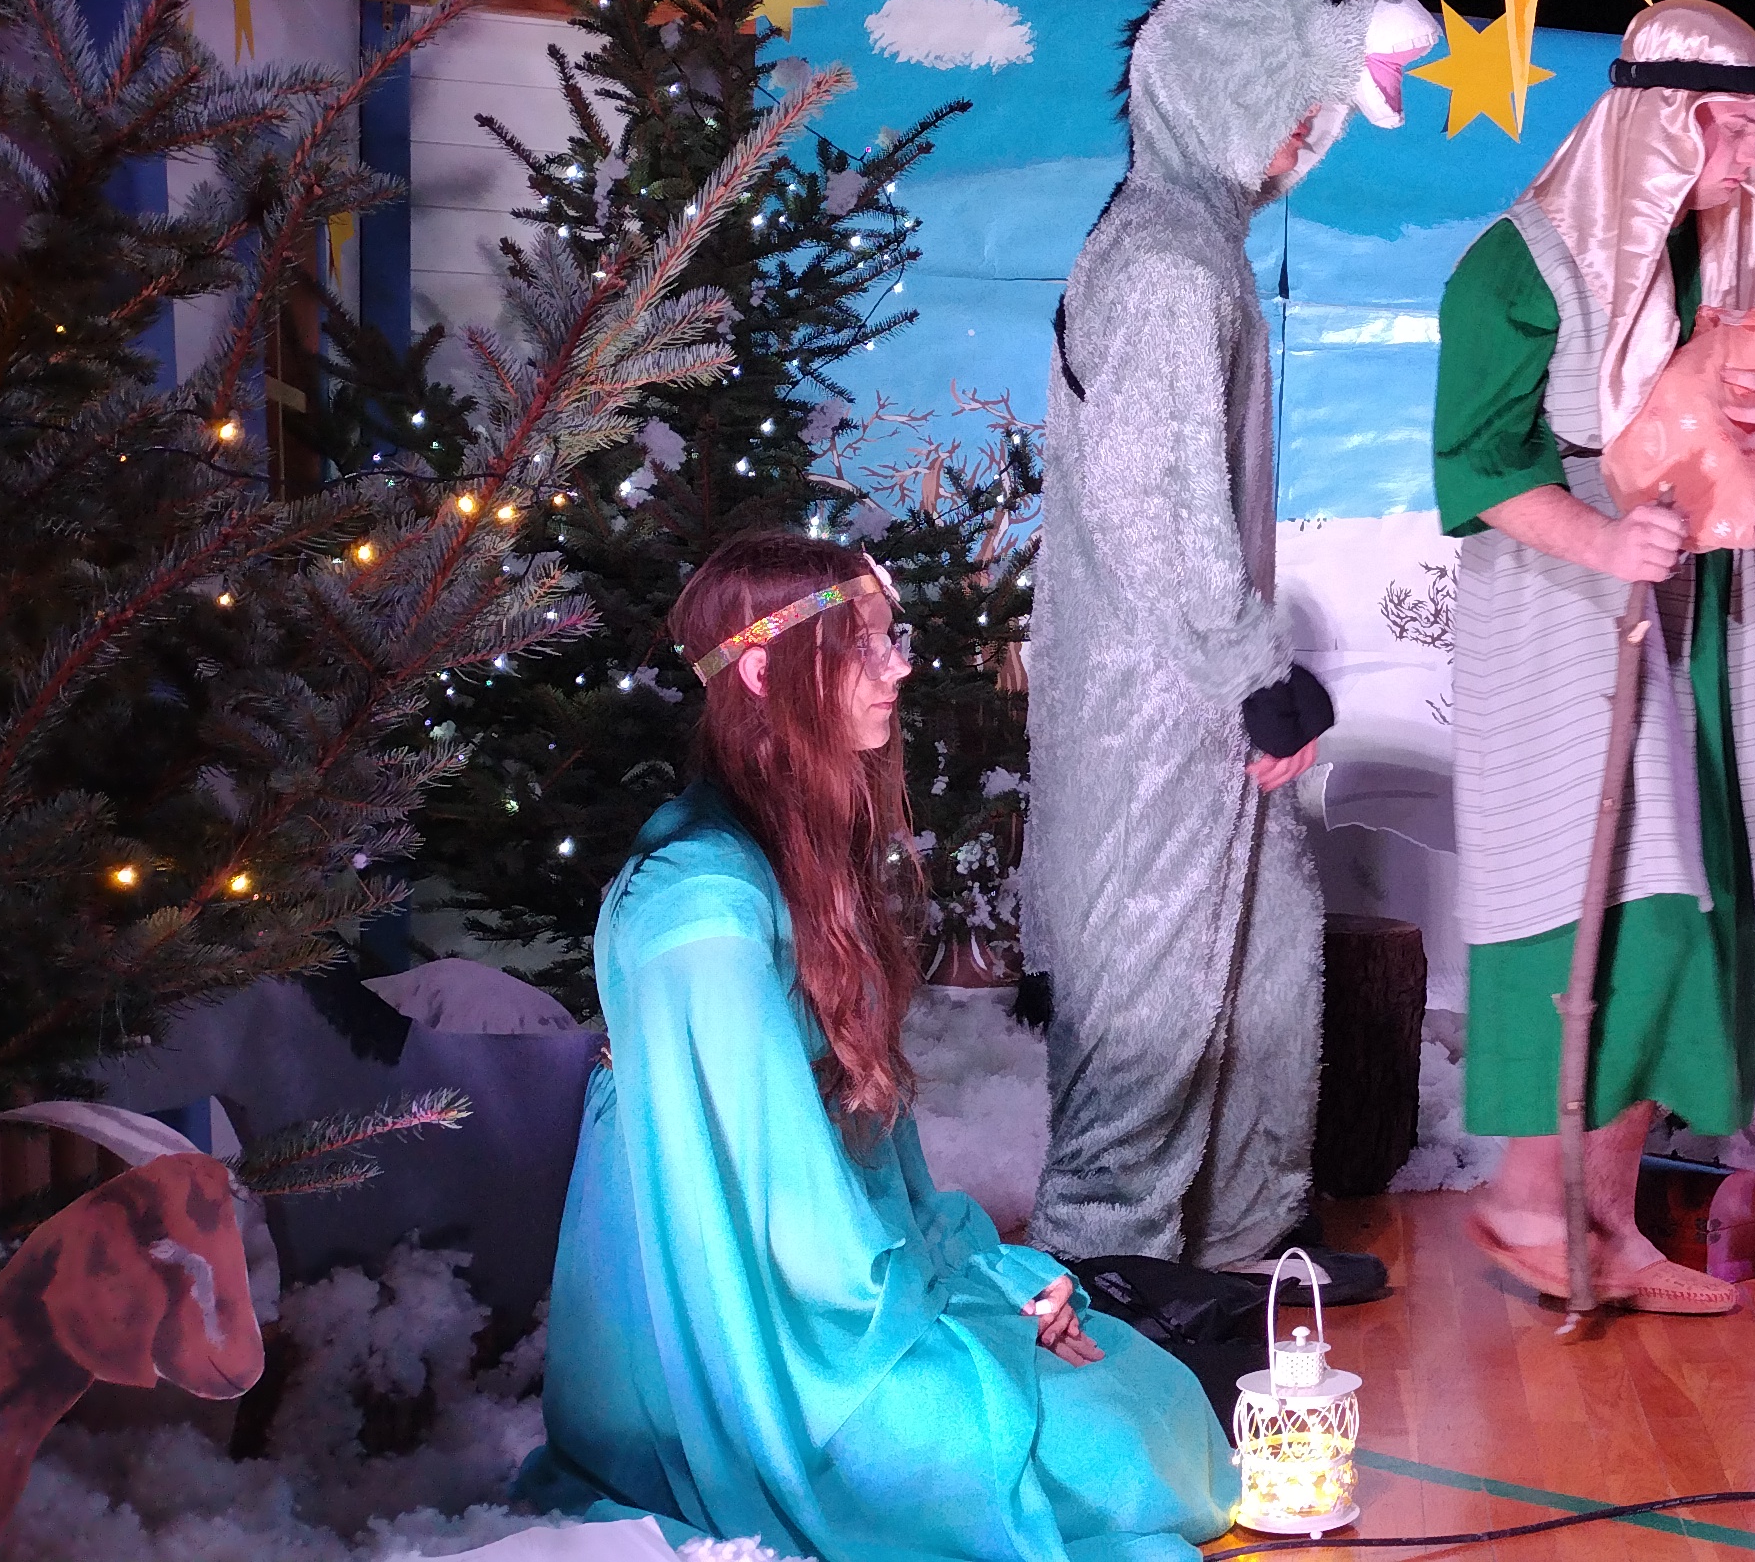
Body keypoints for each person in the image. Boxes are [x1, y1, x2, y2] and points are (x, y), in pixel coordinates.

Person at [525, 532, 1234, 1560]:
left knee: (1148, 1398)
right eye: (862, 645)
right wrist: (964, 1302)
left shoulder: (803, 858)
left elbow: (874, 1161)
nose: (897, 666)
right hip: (761, 1345)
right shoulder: (703, 913)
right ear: (762, 674)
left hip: (843, 1290)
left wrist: (982, 1268)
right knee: (1114, 1455)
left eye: (890, 639)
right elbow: (784, 1222)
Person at [1436, 2, 1755, 1316]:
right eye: (1729, 131)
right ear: (1659, 125)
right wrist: (1600, 537)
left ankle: (1605, 1221)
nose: (1748, 158)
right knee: (1599, 897)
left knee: (1686, 904)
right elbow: (1477, 464)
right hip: (1559, 609)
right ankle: (1528, 1199)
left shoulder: (1746, 257)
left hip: (1695, 606)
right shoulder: (1517, 266)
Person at [1022, 0, 1436, 1270]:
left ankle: (1238, 1242)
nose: (1300, 149)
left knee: (1256, 955)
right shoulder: (1159, 264)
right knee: (1154, 980)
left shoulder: (1191, 248)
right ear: (1225, 99)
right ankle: (1111, 1272)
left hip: (1194, 686)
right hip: (1154, 703)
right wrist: (1250, 672)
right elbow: (1154, 504)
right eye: (1294, 118)